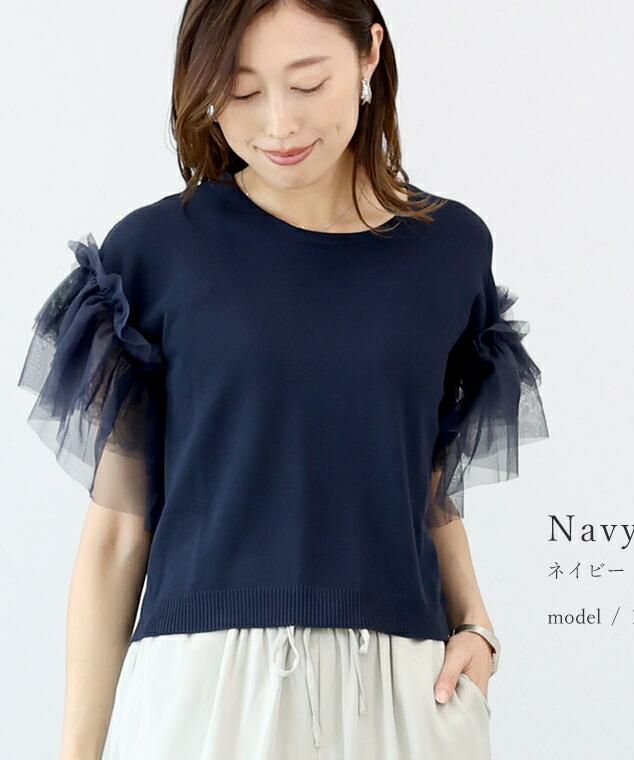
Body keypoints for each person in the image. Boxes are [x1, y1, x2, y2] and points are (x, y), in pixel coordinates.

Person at [17, 1, 549, 758]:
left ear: (369, 54)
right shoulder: (157, 252)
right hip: (207, 690)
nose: (278, 124)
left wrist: (475, 624)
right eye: (241, 91)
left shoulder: (451, 249)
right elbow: (115, 533)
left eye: (306, 84)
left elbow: (428, 477)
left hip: (404, 688)